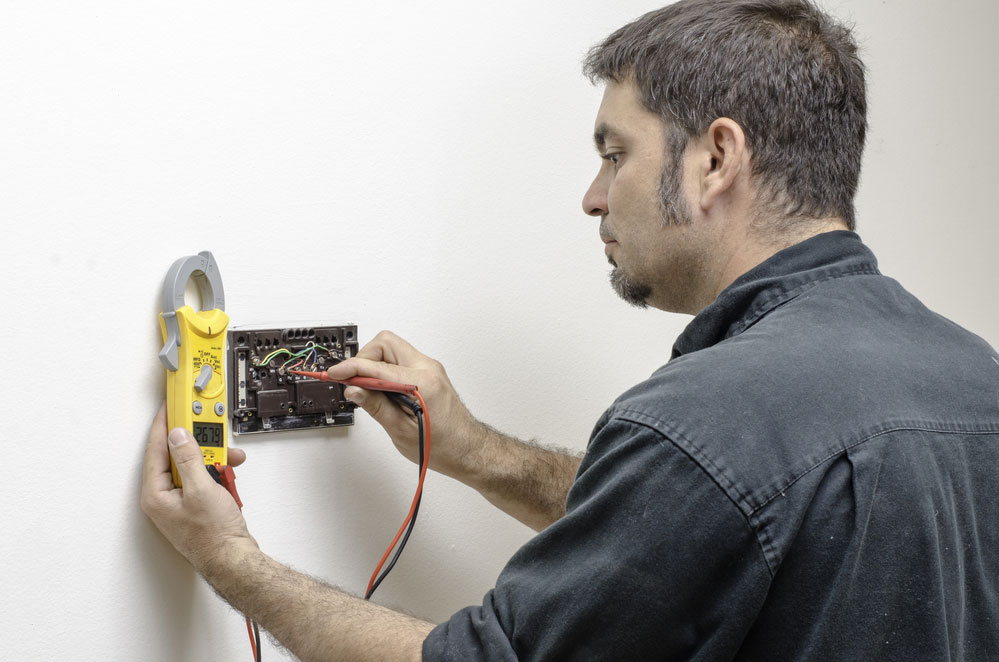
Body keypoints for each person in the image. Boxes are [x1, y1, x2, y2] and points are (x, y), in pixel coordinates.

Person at [141, 0, 999, 659]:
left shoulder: (705, 420)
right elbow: (707, 521)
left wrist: (229, 559)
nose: (593, 195)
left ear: (714, 158)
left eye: (615, 152)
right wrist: (474, 449)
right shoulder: (974, 379)